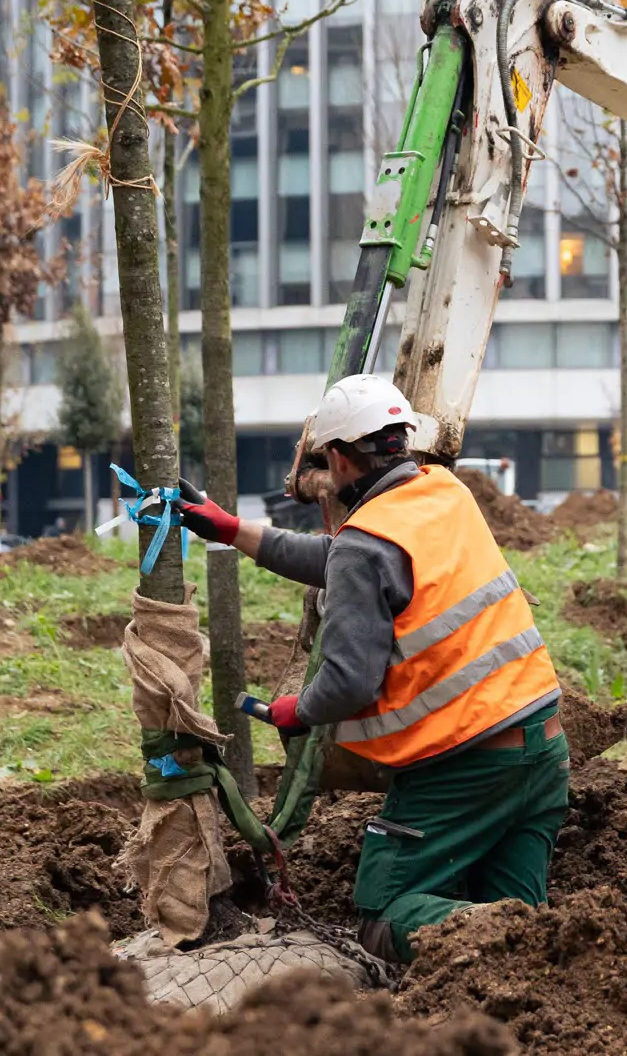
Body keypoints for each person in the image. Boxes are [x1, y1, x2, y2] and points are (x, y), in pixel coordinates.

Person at [174, 374, 567, 964]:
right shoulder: (444, 493)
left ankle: (505, 941)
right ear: (400, 440)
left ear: (337, 457)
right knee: (514, 925)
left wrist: (300, 711)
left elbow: (349, 680)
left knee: (388, 918)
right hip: (543, 750)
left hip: (464, 765)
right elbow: (342, 557)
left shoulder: (366, 543)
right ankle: (539, 959)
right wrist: (232, 529)